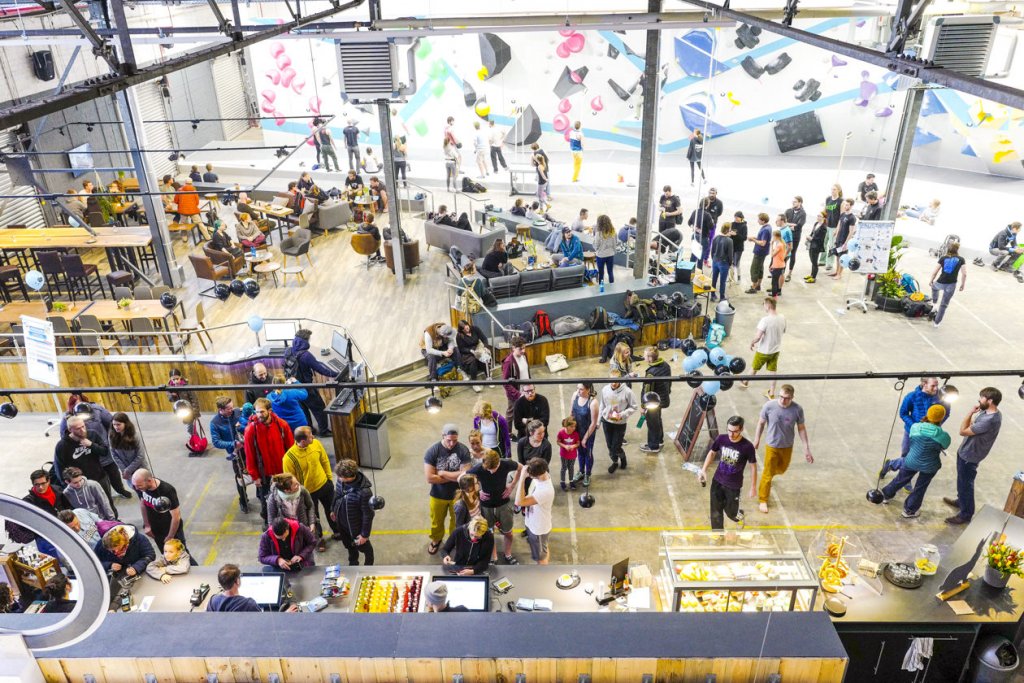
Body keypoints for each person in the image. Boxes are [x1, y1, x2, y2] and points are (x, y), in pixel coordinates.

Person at [944, 388, 1003, 525]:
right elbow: (971, 426)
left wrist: (970, 412)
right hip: (966, 451)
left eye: (982, 397)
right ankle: (961, 501)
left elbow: (963, 431)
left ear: (990, 401)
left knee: (966, 484)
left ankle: (966, 514)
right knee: (962, 481)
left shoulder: (989, 420)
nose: (979, 400)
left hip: (970, 456)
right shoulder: (988, 412)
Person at [881, 405, 951, 518]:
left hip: (911, 460)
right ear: (941, 418)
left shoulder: (915, 427)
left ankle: (885, 494)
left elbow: (912, 438)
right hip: (930, 466)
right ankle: (909, 510)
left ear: (928, 414)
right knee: (920, 487)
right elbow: (945, 445)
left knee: (901, 479)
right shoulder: (943, 436)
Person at [753, 385, 813, 514]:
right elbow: (761, 423)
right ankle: (763, 499)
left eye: (786, 398)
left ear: (792, 397)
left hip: (787, 445)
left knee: (782, 469)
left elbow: (801, 428)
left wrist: (806, 448)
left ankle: (767, 480)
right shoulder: (769, 406)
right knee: (768, 473)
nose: (782, 400)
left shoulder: (797, 410)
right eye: (781, 397)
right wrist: (756, 439)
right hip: (772, 446)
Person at [60, 396, 128, 498]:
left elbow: (111, 423)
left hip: (102, 448)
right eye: (75, 404)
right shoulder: (68, 418)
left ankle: (120, 489)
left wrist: (110, 439)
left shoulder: (97, 409)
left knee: (113, 474)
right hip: (87, 457)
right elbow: (64, 436)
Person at [700, 416, 757, 530]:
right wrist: (703, 470)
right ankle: (717, 535)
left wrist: (753, 487)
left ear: (741, 430)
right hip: (718, 481)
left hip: (733, 485)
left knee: (731, 513)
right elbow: (712, 453)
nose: (731, 434)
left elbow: (753, 467)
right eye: (729, 430)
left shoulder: (747, 446)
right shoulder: (721, 439)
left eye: (735, 432)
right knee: (715, 511)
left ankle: (739, 515)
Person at [284, 426, 338, 547]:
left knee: (332, 509)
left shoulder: (316, 444)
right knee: (313, 517)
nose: (313, 437)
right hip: (307, 493)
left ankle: (338, 531)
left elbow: (324, 461)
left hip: (324, 485)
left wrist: (329, 479)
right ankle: (318, 540)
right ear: (302, 441)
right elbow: (289, 480)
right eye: (310, 436)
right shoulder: (289, 458)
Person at [244, 397, 295, 523]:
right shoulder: (251, 430)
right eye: (257, 412)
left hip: (282, 472)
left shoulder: (282, 425)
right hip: (264, 474)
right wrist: (255, 476)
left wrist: (292, 471)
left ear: (270, 411)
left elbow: (291, 450)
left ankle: (287, 521)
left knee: (286, 498)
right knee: (266, 501)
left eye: (262, 412)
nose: (259, 415)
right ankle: (268, 523)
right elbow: (249, 455)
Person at [424, 424, 472, 555]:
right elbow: (429, 478)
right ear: (443, 436)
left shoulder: (463, 450)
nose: (452, 444)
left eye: (455, 440)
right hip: (437, 495)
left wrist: (442, 473)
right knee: (436, 521)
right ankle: (436, 540)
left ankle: (454, 540)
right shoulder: (432, 451)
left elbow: (465, 475)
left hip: (457, 495)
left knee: (456, 522)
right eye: (449, 440)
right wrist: (456, 476)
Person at [468, 449, 522, 565]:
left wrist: (512, 486)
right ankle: (494, 557)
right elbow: (463, 479)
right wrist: (477, 491)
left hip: (503, 504)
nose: (492, 472)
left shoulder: (506, 463)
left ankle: (508, 554)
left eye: (494, 469)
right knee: (489, 533)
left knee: (508, 533)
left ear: (499, 462)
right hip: (486, 507)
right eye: (489, 469)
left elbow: (521, 468)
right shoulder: (478, 468)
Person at [285, 328, 337, 437]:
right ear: (305, 340)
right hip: (307, 388)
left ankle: (310, 429)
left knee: (303, 409)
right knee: (319, 408)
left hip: (293, 387)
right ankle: (323, 431)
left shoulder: (289, 350)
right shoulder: (305, 355)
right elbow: (321, 369)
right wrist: (336, 373)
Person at [131, 469, 193, 559]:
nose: (137, 489)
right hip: (156, 530)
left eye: (139, 486)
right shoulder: (141, 487)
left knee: (182, 555)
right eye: (135, 486)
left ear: (149, 480)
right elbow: (143, 503)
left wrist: (170, 536)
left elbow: (176, 517)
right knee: (167, 555)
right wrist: (147, 525)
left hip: (171, 531)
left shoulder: (167, 490)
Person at [55, 415, 115, 508]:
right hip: (80, 483)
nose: (83, 430)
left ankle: (114, 521)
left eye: (83, 426)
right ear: (70, 430)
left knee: (107, 503)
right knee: (90, 507)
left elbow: (105, 452)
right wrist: (68, 485)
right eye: (78, 428)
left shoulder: (92, 435)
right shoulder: (62, 445)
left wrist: (91, 445)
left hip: (99, 477)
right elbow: (59, 468)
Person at [210, 396, 250, 514]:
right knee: (240, 478)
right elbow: (216, 442)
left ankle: (260, 495)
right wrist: (233, 444)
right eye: (228, 409)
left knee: (256, 472)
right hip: (236, 454)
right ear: (220, 409)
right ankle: (243, 500)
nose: (232, 410)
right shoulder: (215, 423)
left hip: (249, 449)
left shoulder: (238, 412)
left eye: (232, 407)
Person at [741, 297, 786, 399]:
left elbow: (758, 337)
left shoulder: (765, 320)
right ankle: (771, 393)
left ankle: (745, 382)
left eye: (764, 305)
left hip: (764, 351)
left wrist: (752, 342)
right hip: (775, 350)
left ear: (769, 305)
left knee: (754, 368)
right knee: (773, 372)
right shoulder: (782, 317)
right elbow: (783, 331)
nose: (764, 307)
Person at [516, 458, 555, 565]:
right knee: (543, 549)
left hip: (538, 528)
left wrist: (522, 478)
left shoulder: (545, 490)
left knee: (541, 558)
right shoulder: (543, 474)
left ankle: (543, 575)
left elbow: (519, 501)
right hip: (533, 523)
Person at [601, 371, 638, 474]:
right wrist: (599, 420)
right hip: (607, 421)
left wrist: (621, 415)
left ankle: (623, 457)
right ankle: (614, 462)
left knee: (616, 447)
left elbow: (634, 407)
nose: (613, 383)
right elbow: (602, 404)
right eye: (611, 380)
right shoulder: (605, 389)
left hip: (620, 424)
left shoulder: (628, 392)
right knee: (609, 445)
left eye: (616, 381)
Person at [640, 346, 672, 453]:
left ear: (650, 358)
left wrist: (643, 406)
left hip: (653, 403)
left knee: (652, 423)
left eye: (645, 355)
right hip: (663, 399)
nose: (643, 357)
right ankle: (659, 440)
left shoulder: (651, 373)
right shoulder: (666, 365)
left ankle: (653, 446)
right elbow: (669, 382)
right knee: (658, 419)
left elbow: (647, 392)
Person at [929, 242, 967, 327]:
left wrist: (931, 280)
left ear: (948, 248)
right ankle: (936, 323)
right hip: (951, 284)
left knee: (934, 287)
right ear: (957, 249)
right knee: (944, 305)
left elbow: (935, 271)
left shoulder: (943, 258)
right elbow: (964, 274)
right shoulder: (961, 259)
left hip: (940, 281)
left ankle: (934, 304)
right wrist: (962, 284)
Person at [571, 382, 600, 487]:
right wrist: (570, 431)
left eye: (581, 389)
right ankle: (581, 471)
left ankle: (587, 474)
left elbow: (593, 423)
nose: (578, 391)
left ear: (588, 389)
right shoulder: (575, 396)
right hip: (577, 431)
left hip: (588, 432)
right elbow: (572, 413)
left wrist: (585, 439)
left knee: (587, 453)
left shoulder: (593, 402)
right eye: (577, 388)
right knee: (580, 453)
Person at [109, 412, 147, 488]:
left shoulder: (135, 435)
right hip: (126, 471)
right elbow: (113, 454)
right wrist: (124, 470)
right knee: (135, 488)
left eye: (118, 424)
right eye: (114, 425)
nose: (116, 427)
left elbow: (140, 455)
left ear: (125, 423)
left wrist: (128, 470)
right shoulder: (111, 435)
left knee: (145, 488)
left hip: (139, 467)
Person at [501, 337, 530, 421]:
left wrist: (530, 386)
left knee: (526, 412)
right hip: (515, 394)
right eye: (520, 349)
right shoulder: (508, 362)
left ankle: (524, 432)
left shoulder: (524, 355)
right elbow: (505, 383)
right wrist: (518, 394)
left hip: (527, 391)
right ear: (513, 348)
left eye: (524, 348)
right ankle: (508, 433)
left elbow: (527, 372)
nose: (523, 351)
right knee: (511, 414)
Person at [455, 320, 490, 385]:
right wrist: (471, 351)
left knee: (484, 356)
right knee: (473, 361)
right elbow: (461, 349)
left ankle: (488, 377)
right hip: (467, 352)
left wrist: (485, 347)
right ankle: (474, 382)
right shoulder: (459, 336)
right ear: (461, 330)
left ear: (468, 325)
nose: (467, 330)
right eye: (464, 330)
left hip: (477, 348)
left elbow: (484, 338)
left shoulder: (475, 329)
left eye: (467, 328)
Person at [830, 199, 857, 279]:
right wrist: (836, 234)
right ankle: (836, 271)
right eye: (845, 205)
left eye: (847, 205)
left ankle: (839, 274)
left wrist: (846, 243)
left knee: (843, 258)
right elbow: (839, 225)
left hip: (844, 241)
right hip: (839, 239)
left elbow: (851, 231)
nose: (845, 206)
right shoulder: (842, 215)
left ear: (851, 206)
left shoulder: (852, 218)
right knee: (838, 256)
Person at [745, 213, 771, 294]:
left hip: (760, 252)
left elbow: (763, 243)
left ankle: (753, 287)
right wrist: (754, 238)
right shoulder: (768, 227)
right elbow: (762, 239)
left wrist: (753, 240)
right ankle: (758, 285)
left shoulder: (765, 230)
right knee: (760, 268)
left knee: (754, 269)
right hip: (763, 252)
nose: (757, 221)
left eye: (759, 219)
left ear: (763, 220)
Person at [784, 196, 806, 282]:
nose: (793, 203)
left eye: (795, 202)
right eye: (793, 202)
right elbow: (783, 222)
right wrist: (792, 225)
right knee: (785, 253)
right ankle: (781, 271)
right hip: (786, 235)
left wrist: (789, 225)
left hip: (795, 236)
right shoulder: (788, 211)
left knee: (792, 253)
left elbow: (799, 225)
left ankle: (789, 273)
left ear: (800, 203)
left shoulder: (803, 213)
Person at [710, 223, 734, 302]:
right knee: (722, 281)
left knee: (714, 279)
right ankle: (722, 297)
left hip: (715, 261)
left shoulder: (716, 238)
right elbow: (730, 255)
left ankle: (712, 295)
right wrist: (730, 264)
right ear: (728, 230)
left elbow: (712, 251)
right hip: (723, 263)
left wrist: (713, 259)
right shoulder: (729, 241)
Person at [556, 417, 581, 491]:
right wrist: (565, 446)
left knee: (571, 468)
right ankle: (562, 482)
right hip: (564, 455)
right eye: (572, 426)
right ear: (566, 426)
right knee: (564, 468)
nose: (574, 428)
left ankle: (571, 481)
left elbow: (578, 443)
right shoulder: (561, 433)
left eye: (574, 426)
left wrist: (574, 446)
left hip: (573, 455)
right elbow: (558, 442)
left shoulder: (575, 434)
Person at [803, 210, 828, 284]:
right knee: (812, 260)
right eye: (818, 216)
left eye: (820, 216)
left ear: (824, 218)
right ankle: (811, 275)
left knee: (814, 262)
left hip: (816, 246)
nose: (818, 217)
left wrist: (812, 239)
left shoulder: (824, 227)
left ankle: (813, 278)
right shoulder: (816, 223)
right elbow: (812, 232)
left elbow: (821, 239)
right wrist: (809, 236)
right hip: (811, 244)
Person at [822, 184, 843, 269]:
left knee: (831, 245)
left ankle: (829, 264)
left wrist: (838, 228)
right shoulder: (828, 199)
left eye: (834, 189)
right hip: (827, 224)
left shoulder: (841, 201)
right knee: (823, 243)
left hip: (834, 226)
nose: (832, 191)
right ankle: (822, 260)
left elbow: (841, 216)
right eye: (831, 189)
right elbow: (825, 211)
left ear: (838, 190)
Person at [594, 214, 617, 284]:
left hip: (601, 256)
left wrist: (595, 249)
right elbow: (615, 243)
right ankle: (612, 286)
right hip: (610, 255)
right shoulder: (613, 231)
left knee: (601, 273)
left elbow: (596, 245)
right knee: (610, 272)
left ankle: (602, 289)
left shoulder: (598, 233)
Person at [730, 212, 748, 284]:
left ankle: (739, 278)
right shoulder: (732, 223)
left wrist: (736, 234)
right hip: (731, 246)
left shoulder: (744, 226)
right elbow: (729, 232)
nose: (736, 219)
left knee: (736, 263)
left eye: (737, 218)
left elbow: (744, 238)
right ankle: (731, 277)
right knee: (731, 263)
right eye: (735, 217)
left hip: (739, 248)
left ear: (741, 218)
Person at [768, 229, 786, 298]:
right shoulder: (780, 244)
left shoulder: (779, 245)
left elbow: (772, 255)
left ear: (777, 237)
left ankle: (774, 296)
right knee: (775, 281)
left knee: (774, 282)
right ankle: (775, 294)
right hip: (778, 265)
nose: (772, 238)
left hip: (778, 266)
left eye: (773, 236)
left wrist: (771, 245)